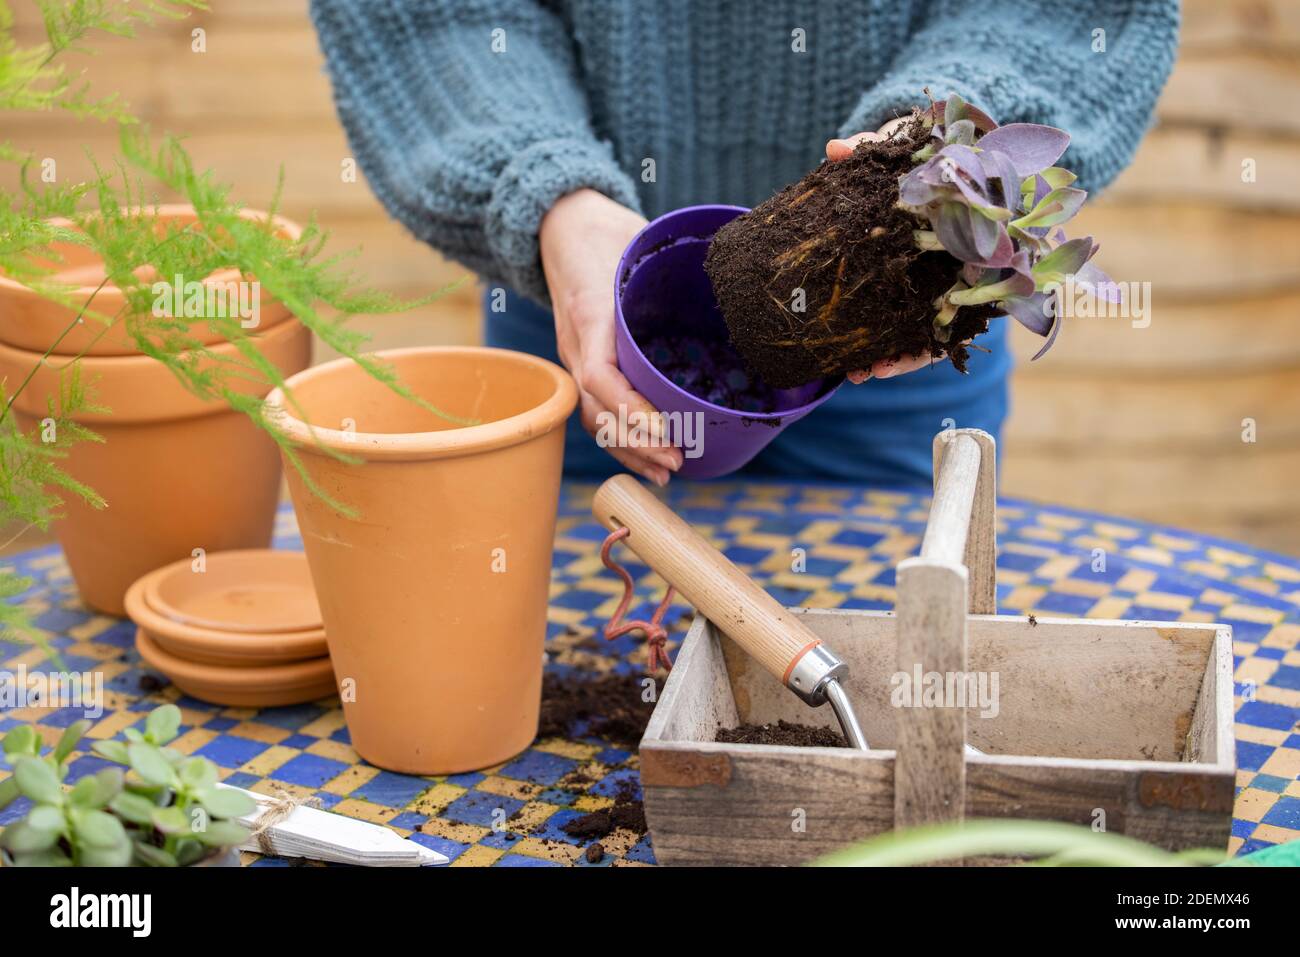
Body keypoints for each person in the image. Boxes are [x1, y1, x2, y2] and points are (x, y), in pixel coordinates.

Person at [310, 0, 1178, 487]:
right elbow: (434, 18)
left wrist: (938, 162)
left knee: (878, 680)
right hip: (584, 312)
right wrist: (550, 187)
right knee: (574, 673)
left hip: (879, 338)